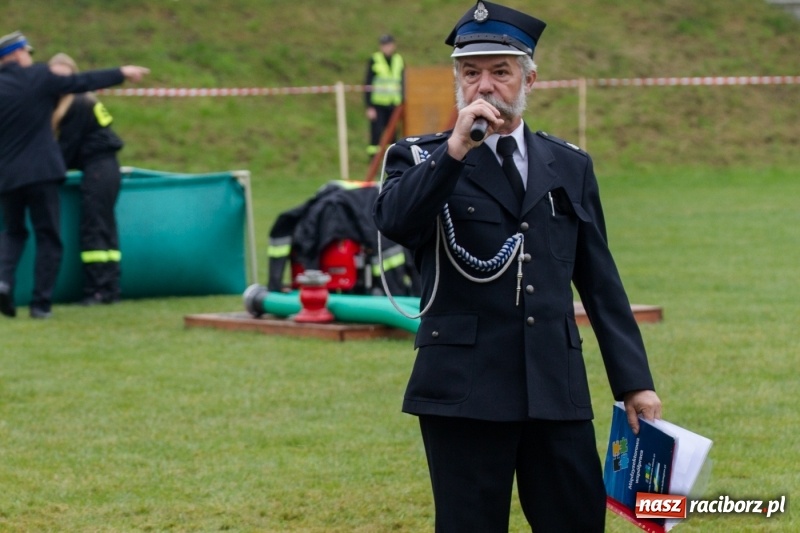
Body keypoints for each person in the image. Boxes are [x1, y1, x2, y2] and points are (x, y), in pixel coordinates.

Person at [372, 2, 662, 531]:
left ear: (529, 79)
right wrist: (454, 150)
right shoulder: (420, 158)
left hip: (555, 386)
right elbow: (394, 220)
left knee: (576, 521)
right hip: (463, 391)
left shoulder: (569, 164)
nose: (484, 86)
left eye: (500, 72)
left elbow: (600, 283)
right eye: (471, 72)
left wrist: (634, 382)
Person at [0, 31, 149, 319]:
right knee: (48, 237)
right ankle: (40, 305)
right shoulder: (38, 77)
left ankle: (3, 282)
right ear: (18, 53)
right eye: (27, 52)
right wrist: (121, 72)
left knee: (13, 232)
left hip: (7, 176)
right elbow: (81, 82)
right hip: (42, 173)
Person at [49, 53, 124, 306]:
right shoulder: (81, 101)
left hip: (99, 169)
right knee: (105, 228)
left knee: (95, 228)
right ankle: (110, 289)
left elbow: (67, 148)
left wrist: (47, 172)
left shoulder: (77, 104)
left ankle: (98, 290)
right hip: (104, 167)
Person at [364, 34, 404, 160]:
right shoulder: (375, 59)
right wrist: (369, 106)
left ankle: (392, 162)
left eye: (388, 44)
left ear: (393, 45)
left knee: (393, 136)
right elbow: (368, 83)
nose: (387, 47)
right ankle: (373, 163)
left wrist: (403, 103)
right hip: (378, 105)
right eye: (384, 45)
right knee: (376, 135)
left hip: (394, 104)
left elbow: (404, 82)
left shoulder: (398, 60)